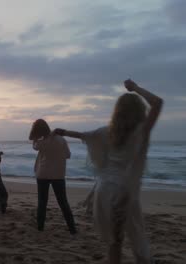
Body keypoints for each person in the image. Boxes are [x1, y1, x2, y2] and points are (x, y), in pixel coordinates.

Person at [53, 79, 163, 264]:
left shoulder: (107, 132)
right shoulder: (141, 131)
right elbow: (158, 103)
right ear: (139, 111)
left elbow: (83, 135)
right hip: (124, 191)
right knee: (137, 238)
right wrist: (135, 88)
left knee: (114, 243)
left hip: (103, 190)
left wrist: (61, 131)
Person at [29, 119, 76, 235]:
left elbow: (34, 145)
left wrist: (35, 138)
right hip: (58, 175)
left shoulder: (42, 142)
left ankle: (40, 228)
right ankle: (72, 229)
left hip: (43, 174)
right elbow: (68, 155)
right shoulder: (61, 140)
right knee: (63, 203)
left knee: (42, 202)